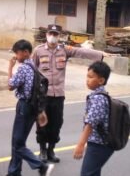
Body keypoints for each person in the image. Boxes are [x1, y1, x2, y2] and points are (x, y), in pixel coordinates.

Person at [32, 24, 106, 163]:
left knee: (56, 123)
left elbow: (81, 52)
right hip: (43, 95)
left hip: (58, 94)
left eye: (55, 34)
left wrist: (100, 54)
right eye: (51, 33)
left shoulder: (64, 50)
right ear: (47, 34)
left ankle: (51, 151)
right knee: (42, 123)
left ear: (59, 36)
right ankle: (42, 150)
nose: (53, 36)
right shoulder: (38, 51)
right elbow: (32, 69)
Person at [71, 61, 130, 176]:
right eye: (87, 76)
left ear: (101, 80)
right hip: (98, 143)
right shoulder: (98, 96)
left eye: (91, 77)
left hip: (100, 145)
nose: (87, 80)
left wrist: (80, 144)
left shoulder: (98, 99)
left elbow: (90, 123)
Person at [0, 39, 53, 176]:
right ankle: (14, 174)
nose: (16, 56)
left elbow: (10, 85)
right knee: (19, 141)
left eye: (17, 52)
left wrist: (10, 67)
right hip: (32, 108)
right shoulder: (34, 67)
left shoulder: (23, 68)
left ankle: (41, 166)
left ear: (25, 52)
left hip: (24, 107)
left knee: (17, 144)